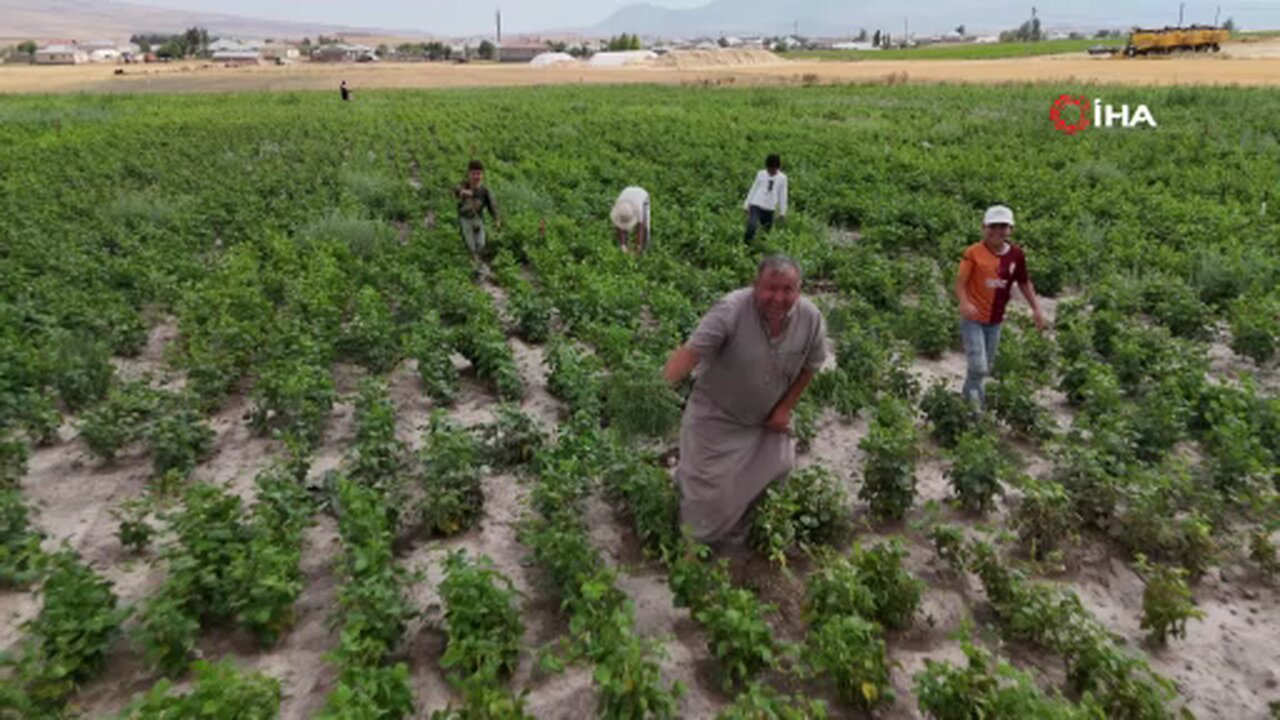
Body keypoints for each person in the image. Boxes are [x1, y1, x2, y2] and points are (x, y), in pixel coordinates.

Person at [663, 255, 827, 547]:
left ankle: (742, 536)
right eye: (770, 288)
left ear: (799, 290)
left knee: (778, 466)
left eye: (787, 289)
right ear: (755, 286)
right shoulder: (730, 310)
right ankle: (691, 554)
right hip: (716, 416)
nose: (778, 297)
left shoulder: (811, 318)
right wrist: (657, 389)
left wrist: (785, 407)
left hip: (764, 420)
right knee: (706, 494)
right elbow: (690, 353)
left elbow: (811, 366)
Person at [954, 204, 1047, 413]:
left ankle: (967, 403)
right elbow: (960, 282)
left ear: (1010, 229)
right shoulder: (973, 253)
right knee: (978, 366)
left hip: (995, 321)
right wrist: (964, 302)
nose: (997, 232)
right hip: (973, 318)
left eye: (1003, 227)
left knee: (982, 369)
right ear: (984, 227)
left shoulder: (1016, 255)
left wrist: (1036, 308)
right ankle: (975, 412)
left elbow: (1024, 282)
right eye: (993, 226)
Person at [455, 160, 501, 258]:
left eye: (479, 174)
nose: (476, 177)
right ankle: (474, 262)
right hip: (465, 220)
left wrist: (496, 219)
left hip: (478, 219)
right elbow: (457, 189)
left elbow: (492, 206)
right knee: (470, 247)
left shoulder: (485, 191)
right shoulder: (464, 185)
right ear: (469, 174)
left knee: (481, 245)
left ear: (482, 175)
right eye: (474, 174)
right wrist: (463, 192)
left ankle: (482, 262)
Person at [743, 154, 788, 242]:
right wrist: (746, 204)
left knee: (766, 233)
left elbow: (783, 195)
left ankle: (761, 250)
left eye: (773, 169)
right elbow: (753, 188)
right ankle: (746, 245)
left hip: (769, 208)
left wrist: (783, 212)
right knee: (752, 225)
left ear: (778, 168)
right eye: (769, 169)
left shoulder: (782, 178)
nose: (771, 171)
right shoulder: (761, 174)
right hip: (756, 204)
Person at [611, 186, 651, 254]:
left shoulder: (639, 209)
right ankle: (624, 246)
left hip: (642, 194)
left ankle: (644, 249)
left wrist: (638, 246)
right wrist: (623, 246)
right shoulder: (618, 207)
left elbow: (641, 227)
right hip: (626, 192)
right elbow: (618, 226)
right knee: (622, 219)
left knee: (646, 227)